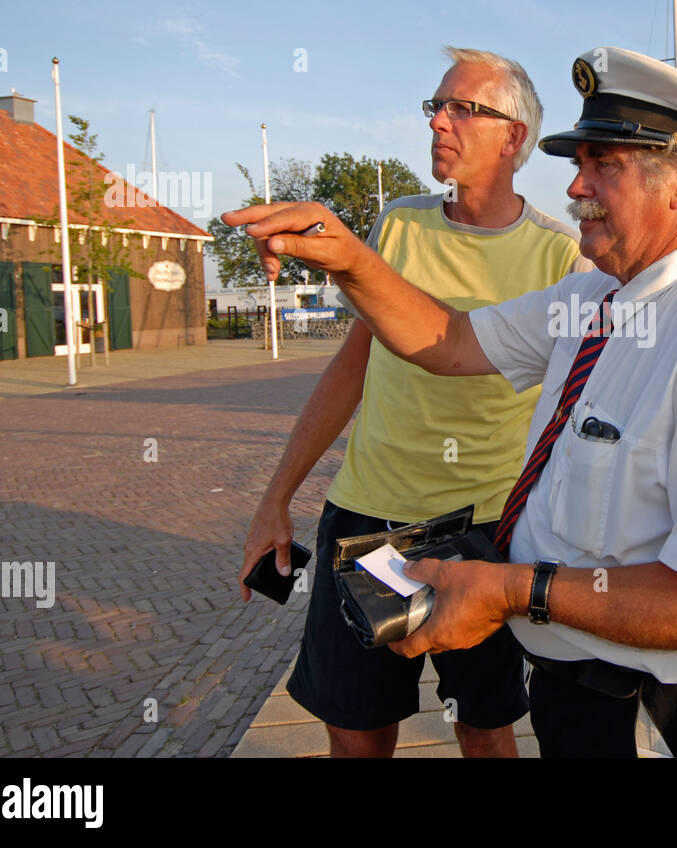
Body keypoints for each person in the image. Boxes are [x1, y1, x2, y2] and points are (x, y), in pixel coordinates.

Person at [225, 47, 677, 758]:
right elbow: (447, 340)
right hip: (577, 682)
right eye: (579, 164)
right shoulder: (592, 297)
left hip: (667, 706)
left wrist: (515, 592)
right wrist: (351, 259)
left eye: (605, 165)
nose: (576, 187)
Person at [236, 47, 588, 758]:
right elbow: (351, 368)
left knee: (485, 731)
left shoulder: (559, 254)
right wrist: (276, 498)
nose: (440, 122)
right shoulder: (397, 224)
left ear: (513, 137)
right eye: (436, 106)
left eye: (465, 108)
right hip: (369, 518)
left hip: (481, 530)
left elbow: (570, 414)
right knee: (357, 735)